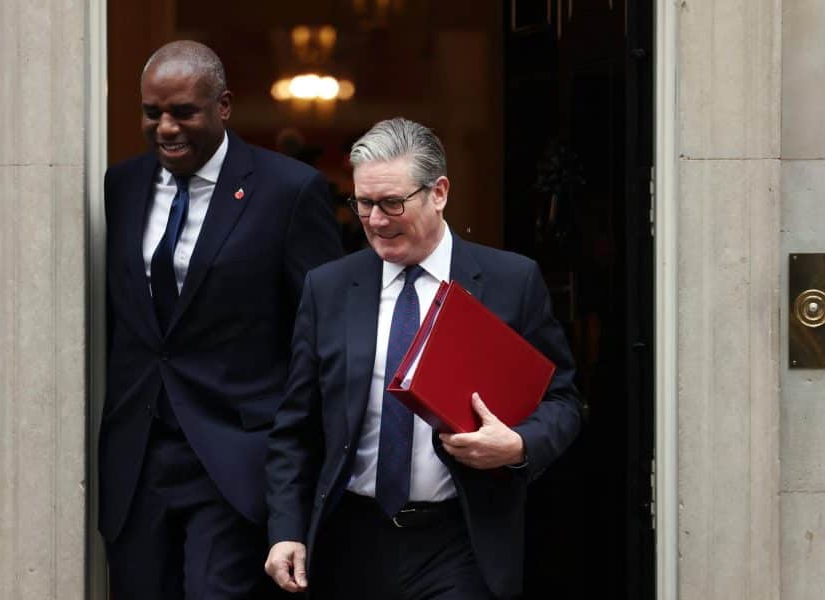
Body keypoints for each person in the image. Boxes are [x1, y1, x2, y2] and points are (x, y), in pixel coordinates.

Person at [264, 117, 581, 599]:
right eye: (364, 203)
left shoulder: (510, 283)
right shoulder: (328, 288)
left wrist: (518, 445)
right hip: (350, 539)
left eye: (392, 202)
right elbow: (295, 427)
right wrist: (286, 529)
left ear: (439, 193)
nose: (376, 220)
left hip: (459, 539)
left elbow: (563, 401)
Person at [99, 40, 342, 599]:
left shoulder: (288, 190)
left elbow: (320, 338)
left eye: (183, 112)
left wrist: (298, 472)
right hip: (137, 462)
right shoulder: (122, 185)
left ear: (224, 106)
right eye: (152, 113)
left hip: (233, 461)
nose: (166, 128)